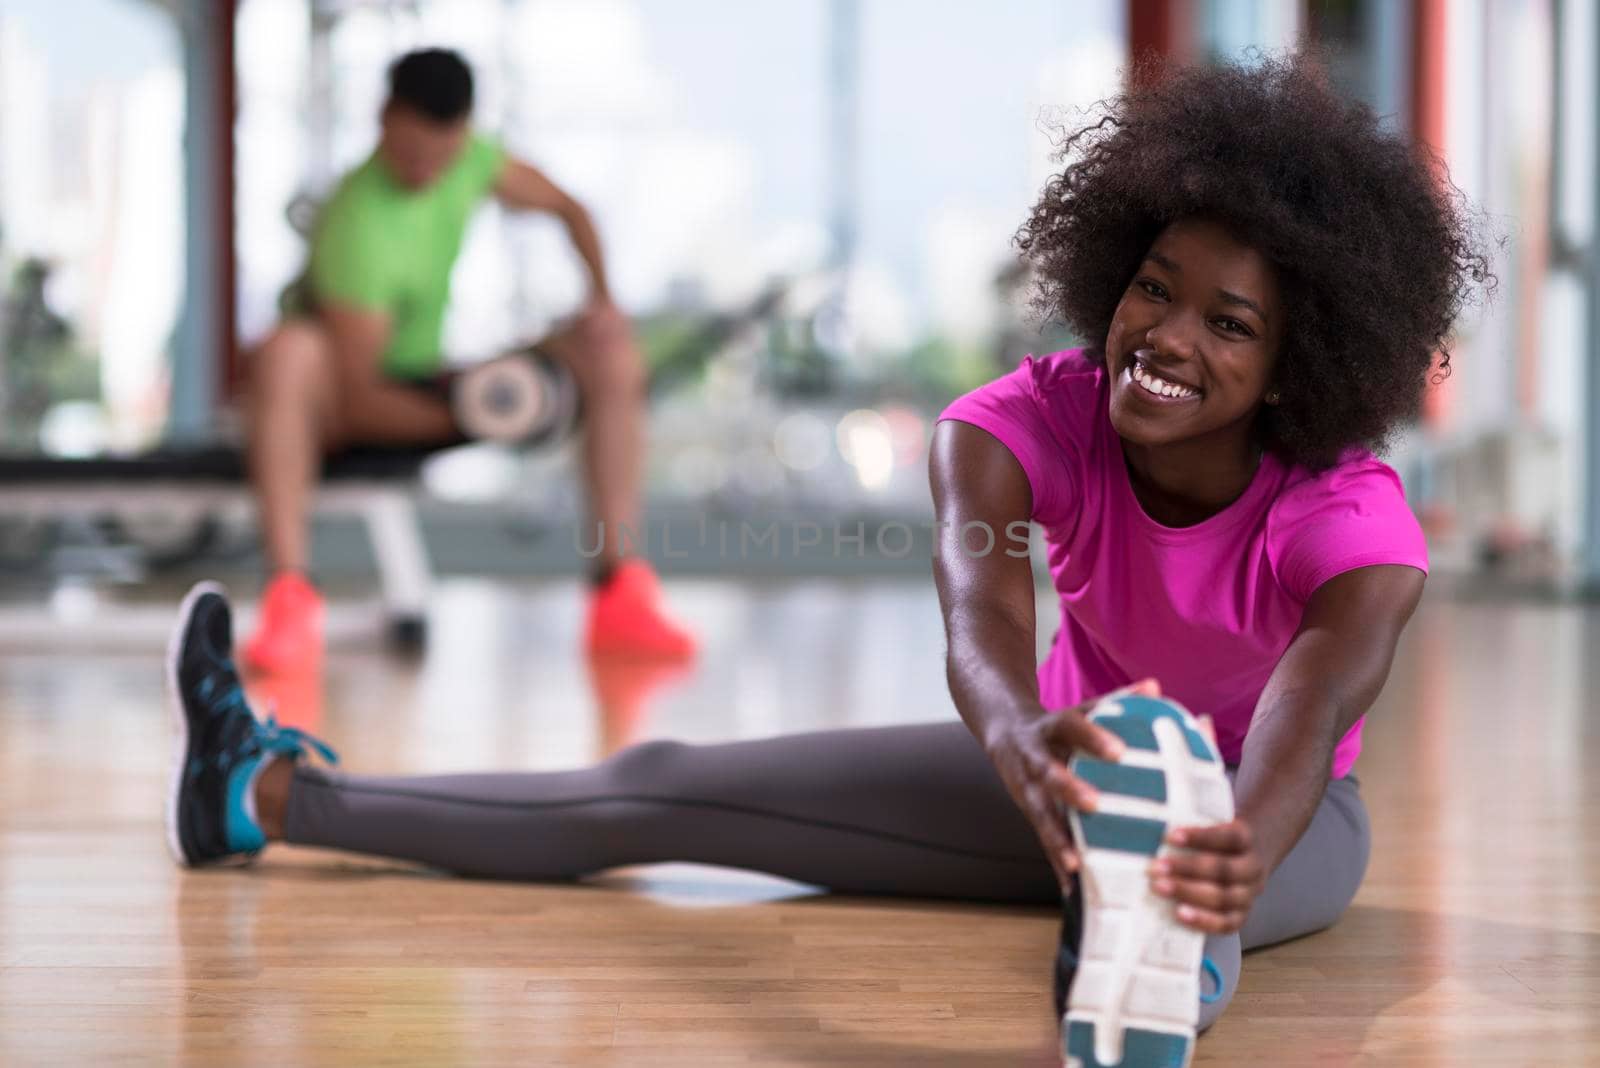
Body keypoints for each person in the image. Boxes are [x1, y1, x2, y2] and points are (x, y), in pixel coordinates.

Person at [165, 56, 1487, 1062]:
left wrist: (1240, 848)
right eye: (1154, 287)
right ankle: (260, 793)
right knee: (664, 781)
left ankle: (1156, 950)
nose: (1168, 335)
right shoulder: (1020, 425)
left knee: (1177, 878)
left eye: (1231, 322)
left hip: (1284, 820)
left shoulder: (1347, 517)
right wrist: (1025, 744)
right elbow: (981, 622)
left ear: (1293, 365)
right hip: (1063, 761)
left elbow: (1311, 717)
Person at [244, 47, 694, 671]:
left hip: (438, 376)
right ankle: (290, 597)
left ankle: (621, 592)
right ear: (384, 118)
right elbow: (355, 399)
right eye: (412, 155)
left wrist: (602, 301)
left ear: (462, 135)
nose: (427, 170)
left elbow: (572, 209)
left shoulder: (474, 159)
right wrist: (481, 411)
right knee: (289, 352)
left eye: (441, 155)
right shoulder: (357, 222)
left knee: (610, 354)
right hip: (352, 394)